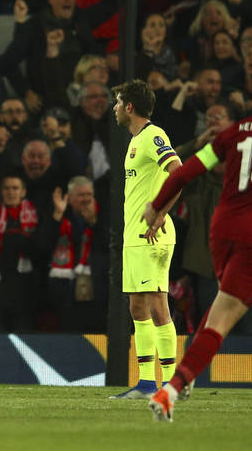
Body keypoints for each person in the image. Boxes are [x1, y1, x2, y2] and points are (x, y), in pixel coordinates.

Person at [143, 61, 252, 422]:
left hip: (221, 231)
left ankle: (184, 378)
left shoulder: (234, 132)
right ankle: (170, 391)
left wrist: (157, 206)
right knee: (222, 320)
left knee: (221, 303)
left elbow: (187, 170)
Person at [109, 79, 182, 400]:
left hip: (152, 236)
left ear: (129, 107)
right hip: (136, 237)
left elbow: (178, 172)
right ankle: (146, 383)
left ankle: (170, 384)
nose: (113, 108)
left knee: (157, 305)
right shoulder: (136, 141)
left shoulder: (153, 136)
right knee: (138, 306)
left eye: (117, 102)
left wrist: (162, 212)